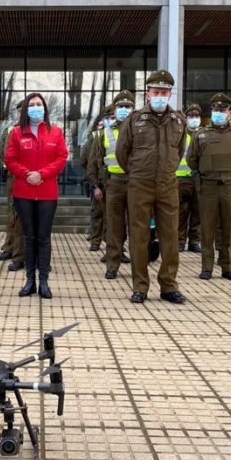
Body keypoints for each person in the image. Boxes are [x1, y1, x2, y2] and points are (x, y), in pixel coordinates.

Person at [115, 70, 187, 304]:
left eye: (164, 92)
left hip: (167, 184)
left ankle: (168, 285)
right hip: (140, 185)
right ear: (147, 94)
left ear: (170, 94)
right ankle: (140, 286)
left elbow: (180, 152)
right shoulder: (134, 119)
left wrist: (166, 170)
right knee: (139, 236)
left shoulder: (178, 120)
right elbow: (121, 152)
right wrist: (137, 173)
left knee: (170, 236)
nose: (160, 96)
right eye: (156, 92)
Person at [187, 92, 231, 282]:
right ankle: (207, 268)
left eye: (222, 110)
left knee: (229, 229)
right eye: (215, 110)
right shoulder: (201, 134)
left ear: (230, 112)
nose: (218, 113)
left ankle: (229, 267)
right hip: (208, 187)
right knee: (207, 230)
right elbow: (191, 161)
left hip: (230, 187)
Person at [4, 93, 68, 299]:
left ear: (45, 109)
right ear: (25, 110)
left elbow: (61, 157)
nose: (36, 108)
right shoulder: (16, 133)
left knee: (44, 237)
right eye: (32, 105)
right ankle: (29, 281)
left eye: (39, 104)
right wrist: (26, 174)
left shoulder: (56, 132)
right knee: (29, 237)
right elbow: (10, 158)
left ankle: (44, 282)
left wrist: (42, 174)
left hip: (47, 191)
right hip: (23, 191)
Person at [87, 91, 135, 279]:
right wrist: (96, 185)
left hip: (136, 184)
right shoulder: (104, 133)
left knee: (137, 227)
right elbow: (95, 160)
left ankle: (138, 266)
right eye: (120, 106)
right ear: (114, 109)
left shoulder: (140, 130)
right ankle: (112, 265)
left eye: (128, 106)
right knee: (114, 226)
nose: (124, 110)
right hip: (113, 183)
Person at [0, 102, 25, 271]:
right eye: (20, 111)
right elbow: (3, 152)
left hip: (31, 177)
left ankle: (24, 252)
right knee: (12, 213)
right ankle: (10, 246)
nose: (22, 114)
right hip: (13, 177)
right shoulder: (9, 131)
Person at [177, 103, 203, 253]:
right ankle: (180, 241)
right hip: (181, 179)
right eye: (191, 116)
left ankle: (194, 241)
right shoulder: (180, 135)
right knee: (181, 212)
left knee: (198, 211)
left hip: (199, 180)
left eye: (197, 116)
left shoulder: (203, 134)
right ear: (186, 119)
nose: (194, 119)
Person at [80, 115, 105, 251]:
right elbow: (85, 160)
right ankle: (96, 239)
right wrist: (93, 179)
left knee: (99, 213)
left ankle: (97, 240)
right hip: (99, 181)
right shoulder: (94, 138)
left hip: (107, 181)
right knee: (98, 212)